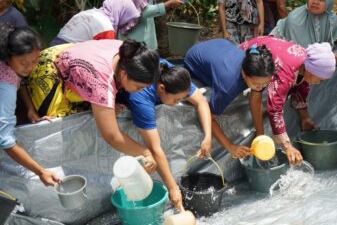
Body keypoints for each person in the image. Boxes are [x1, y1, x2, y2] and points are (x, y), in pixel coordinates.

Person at [26, 39, 161, 177]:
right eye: (139, 87)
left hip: (67, 54)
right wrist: (145, 152)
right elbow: (112, 136)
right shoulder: (100, 83)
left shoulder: (130, 53)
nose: (140, 91)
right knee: (71, 120)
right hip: (48, 72)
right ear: (124, 74)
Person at [119, 61, 212, 211]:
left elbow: (201, 101)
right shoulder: (140, 99)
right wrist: (172, 187)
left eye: (182, 99)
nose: (178, 104)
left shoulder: (171, 73)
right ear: (161, 88)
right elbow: (155, 148)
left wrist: (207, 137)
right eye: (176, 100)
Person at [240, 37, 337, 164]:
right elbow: (274, 109)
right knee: (257, 90)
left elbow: (302, 87)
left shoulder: (307, 63)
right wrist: (286, 145)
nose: (319, 83)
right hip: (250, 58)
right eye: (320, 79)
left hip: (268, 52)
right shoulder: (285, 71)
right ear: (311, 70)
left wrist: (304, 117)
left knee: (258, 88)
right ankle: (260, 134)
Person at [184, 39, 275, 158]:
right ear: (243, 73)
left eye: (265, 84)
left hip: (219, 45)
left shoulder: (256, 64)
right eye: (256, 84)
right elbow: (208, 116)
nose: (260, 87)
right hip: (193, 59)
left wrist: (260, 135)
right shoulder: (228, 86)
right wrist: (230, 146)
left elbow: (256, 98)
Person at [0, 23, 58, 186]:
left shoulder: (8, 67)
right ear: (8, 55)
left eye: (34, 61)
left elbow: (22, 80)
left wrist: (30, 109)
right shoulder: (6, 85)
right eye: (24, 63)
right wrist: (40, 171)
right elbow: (5, 139)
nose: (30, 68)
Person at [270, 0, 337, 47]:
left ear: (329, 2)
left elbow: (328, 45)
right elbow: (295, 52)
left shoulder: (331, 18)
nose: (315, 2)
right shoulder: (295, 19)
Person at [49, 0, 139, 46]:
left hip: (51, 48)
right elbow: (105, 56)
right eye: (125, 22)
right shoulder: (106, 28)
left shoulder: (89, 12)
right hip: (63, 56)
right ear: (121, 14)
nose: (124, 26)